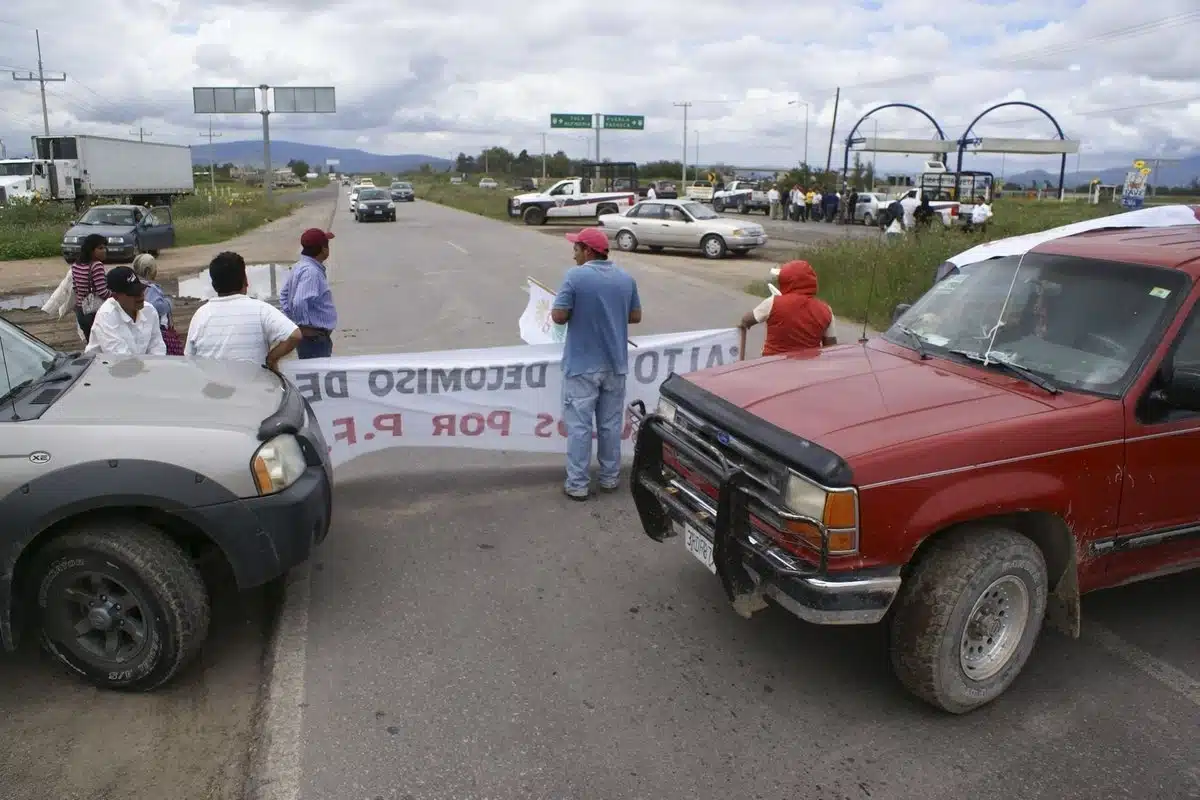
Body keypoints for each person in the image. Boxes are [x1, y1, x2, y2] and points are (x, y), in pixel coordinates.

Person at [550, 227, 641, 501]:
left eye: (576, 248)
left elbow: (558, 316)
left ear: (588, 251)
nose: (573, 254)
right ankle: (610, 478)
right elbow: (635, 316)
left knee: (579, 426)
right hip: (615, 365)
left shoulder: (575, 277)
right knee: (610, 425)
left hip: (582, 366)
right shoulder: (626, 279)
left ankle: (577, 484)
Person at [186, 251, 302, 371]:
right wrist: (271, 359)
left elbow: (189, 358)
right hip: (254, 386)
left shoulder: (200, 315)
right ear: (245, 281)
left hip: (213, 386)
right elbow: (294, 335)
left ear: (214, 285)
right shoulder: (261, 309)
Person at [738, 260, 837, 356]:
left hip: (773, 365)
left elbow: (746, 320)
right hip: (809, 367)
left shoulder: (773, 303)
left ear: (787, 281)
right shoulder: (826, 310)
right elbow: (831, 347)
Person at [280, 228, 337, 359]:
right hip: (314, 340)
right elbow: (299, 301)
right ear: (323, 249)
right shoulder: (311, 272)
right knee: (317, 376)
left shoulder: (300, 266)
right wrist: (305, 328)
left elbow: (284, 295)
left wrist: (294, 320)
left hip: (313, 339)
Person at [85, 266, 166, 356]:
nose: (140, 296)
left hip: (141, 366)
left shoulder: (149, 311)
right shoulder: (106, 316)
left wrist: (156, 367)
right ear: (115, 296)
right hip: (105, 367)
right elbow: (120, 357)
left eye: (141, 290)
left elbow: (157, 346)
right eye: (133, 293)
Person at [132, 253, 184, 355]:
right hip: (158, 330)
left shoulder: (135, 285)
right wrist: (168, 302)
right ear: (148, 270)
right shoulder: (151, 288)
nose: (156, 271)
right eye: (154, 268)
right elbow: (158, 307)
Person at [72, 233, 111, 340]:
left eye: (104, 247)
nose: (104, 250)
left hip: (81, 311)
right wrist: (116, 296)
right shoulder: (97, 265)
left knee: (90, 343)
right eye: (100, 248)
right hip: (94, 312)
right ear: (91, 250)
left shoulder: (75, 265)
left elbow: (75, 288)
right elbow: (102, 292)